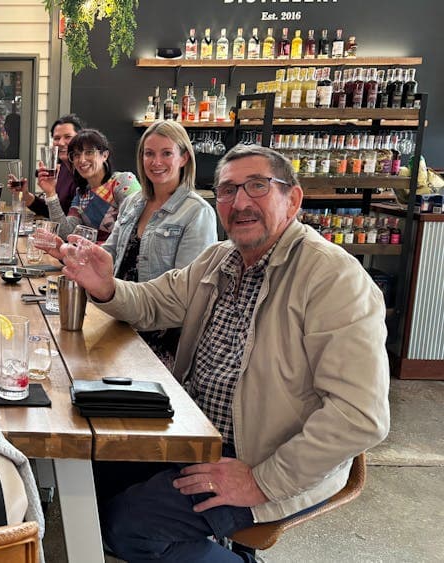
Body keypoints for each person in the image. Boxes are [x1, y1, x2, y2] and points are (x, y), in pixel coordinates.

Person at [60, 144, 390, 562]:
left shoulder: (334, 278)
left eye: (257, 186)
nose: (241, 202)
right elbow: (154, 303)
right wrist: (105, 285)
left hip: (263, 460)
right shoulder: (220, 259)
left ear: (293, 199)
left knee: (130, 526)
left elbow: (360, 416)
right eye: (228, 190)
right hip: (195, 437)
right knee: (92, 470)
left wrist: (261, 481)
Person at [107, 120, 217, 367]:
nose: (156, 162)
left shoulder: (197, 212)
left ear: (184, 158)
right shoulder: (133, 202)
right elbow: (111, 253)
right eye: (149, 153)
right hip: (119, 318)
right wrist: (77, 252)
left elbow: (188, 292)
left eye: (166, 153)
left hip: (159, 336)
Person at [42, 128, 142, 242]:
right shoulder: (81, 195)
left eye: (89, 152)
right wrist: (50, 192)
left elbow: (135, 225)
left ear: (104, 155)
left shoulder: (123, 181)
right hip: (93, 256)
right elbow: (66, 232)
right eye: (76, 155)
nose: (82, 160)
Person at [9, 114, 82, 218]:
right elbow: (51, 211)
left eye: (68, 137)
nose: (61, 143)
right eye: (57, 138)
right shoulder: (60, 169)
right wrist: (25, 195)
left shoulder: (85, 173)